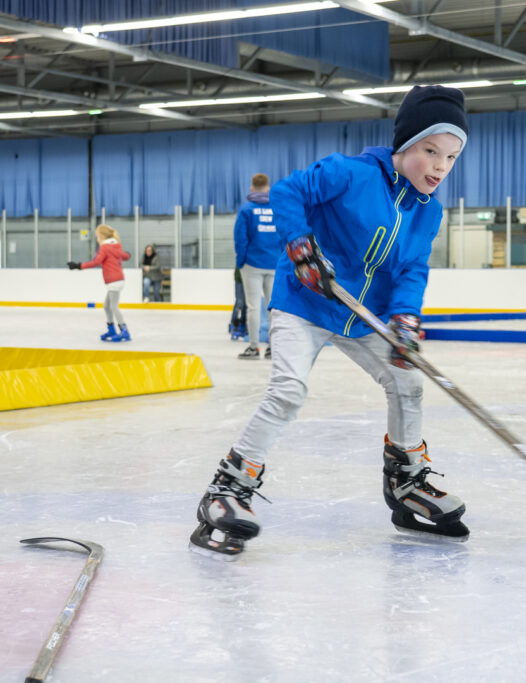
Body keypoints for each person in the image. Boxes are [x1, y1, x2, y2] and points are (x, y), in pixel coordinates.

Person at [189, 85, 470, 560]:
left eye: (451, 157)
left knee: (408, 383)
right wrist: (300, 245)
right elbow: (287, 193)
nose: (441, 166)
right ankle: (228, 488)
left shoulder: (429, 212)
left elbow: (411, 269)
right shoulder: (350, 173)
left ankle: (405, 482)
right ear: (404, 144)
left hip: (362, 317)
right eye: (430, 151)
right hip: (306, 302)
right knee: (288, 391)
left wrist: (404, 317)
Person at [234, 172, 281, 360]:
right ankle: (273, 348)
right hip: (274, 263)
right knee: (273, 308)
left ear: (252, 188)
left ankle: (254, 348)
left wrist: (241, 262)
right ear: (268, 188)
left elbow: (240, 238)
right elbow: (284, 235)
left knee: (253, 307)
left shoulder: (246, 210)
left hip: (252, 264)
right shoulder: (277, 208)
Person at [67, 224, 132, 342]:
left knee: (113, 306)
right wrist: (128, 254)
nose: (97, 239)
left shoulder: (105, 248)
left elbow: (96, 262)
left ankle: (124, 331)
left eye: (97, 237)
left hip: (114, 281)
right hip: (117, 279)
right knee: (107, 306)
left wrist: (78, 266)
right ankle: (111, 329)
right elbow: (124, 256)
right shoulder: (116, 245)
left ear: (102, 236)